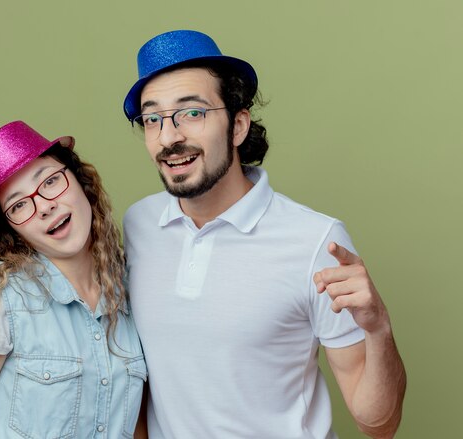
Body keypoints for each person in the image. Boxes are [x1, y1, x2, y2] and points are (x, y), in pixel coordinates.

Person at [122, 30, 406, 439]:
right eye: (153, 118)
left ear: (238, 125)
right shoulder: (139, 226)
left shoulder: (315, 241)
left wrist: (378, 327)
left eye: (193, 113)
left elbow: (378, 424)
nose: (169, 137)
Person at [0, 121, 146, 438]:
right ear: (11, 228)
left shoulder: (132, 288)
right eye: (19, 205)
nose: (45, 206)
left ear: (80, 180)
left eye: (49, 182)